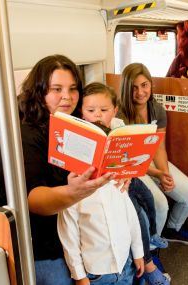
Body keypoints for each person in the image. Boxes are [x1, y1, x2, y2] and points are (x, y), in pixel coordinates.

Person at [0, 55, 120, 285]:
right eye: (57, 89)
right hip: (33, 237)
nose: (67, 96)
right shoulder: (18, 136)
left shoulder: (69, 124)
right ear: (39, 91)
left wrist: (118, 174)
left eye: (73, 88)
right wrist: (74, 192)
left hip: (67, 220)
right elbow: (32, 200)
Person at [58, 82, 145, 285]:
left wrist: (138, 252)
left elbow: (130, 216)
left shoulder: (118, 178)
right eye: (91, 110)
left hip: (125, 262)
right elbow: (69, 233)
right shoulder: (75, 188)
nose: (97, 114)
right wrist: (79, 275)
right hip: (97, 272)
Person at [119, 63, 188, 245]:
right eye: (134, 87)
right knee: (160, 205)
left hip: (152, 162)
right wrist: (157, 173)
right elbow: (128, 158)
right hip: (131, 167)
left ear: (150, 85)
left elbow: (159, 147)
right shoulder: (120, 115)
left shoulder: (157, 109)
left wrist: (164, 173)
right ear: (126, 89)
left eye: (144, 85)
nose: (140, 92)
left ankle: (171, 229)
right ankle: (151, 247)